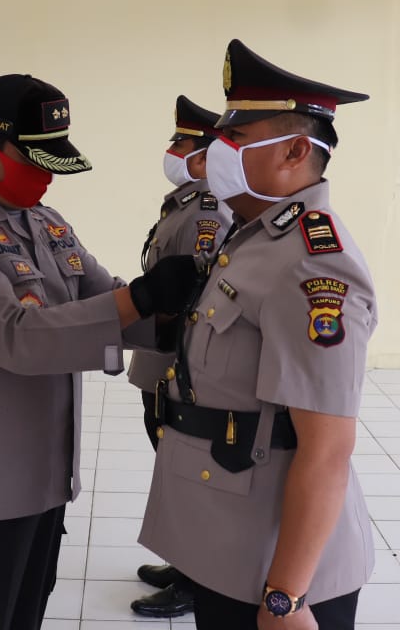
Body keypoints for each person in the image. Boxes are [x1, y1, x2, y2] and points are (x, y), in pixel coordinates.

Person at [0, 73, 201, 630]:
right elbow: (13, 336)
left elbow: (106, 299)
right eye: (33, 162)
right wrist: (140, 297)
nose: (47, 177)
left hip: (42, 483)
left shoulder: (47, 223)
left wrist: (181, 315)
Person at [138, 39, 377, 629]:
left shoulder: (313, 262)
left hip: (276, 561)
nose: (217, 150)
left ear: (296, 151)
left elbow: (327, 448)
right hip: (230, 536)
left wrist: (286, 596)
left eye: (236, 137)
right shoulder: (252, 236)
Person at [129, 95, 233, 620]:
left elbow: (194, 293)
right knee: (172, 466)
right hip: (161, 358)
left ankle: (197, 582)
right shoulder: (185, 204)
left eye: (182, 144)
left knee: (190, 475)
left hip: (177, 362)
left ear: (206, 155)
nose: (172, 153)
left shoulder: (208, 211)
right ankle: (185, 563)